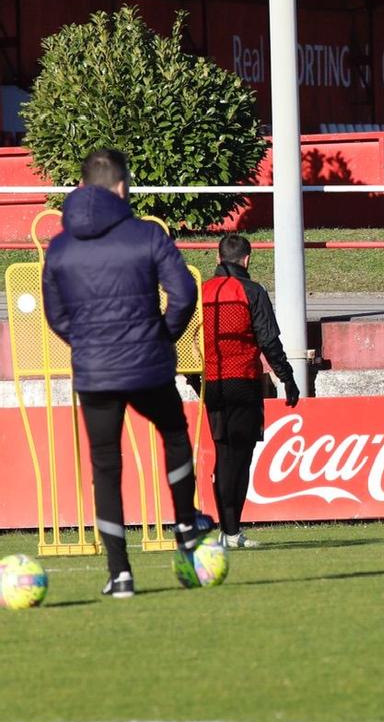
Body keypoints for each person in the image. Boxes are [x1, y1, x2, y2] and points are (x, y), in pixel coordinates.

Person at [41, 148, 213, 597]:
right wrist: (163, 337)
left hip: (94, 373)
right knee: (174, 432)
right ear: (122, 187)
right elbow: (183, 294)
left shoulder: (59, 247)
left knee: (105, 466)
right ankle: (184, 523)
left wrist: (88, 345)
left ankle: (120, 575)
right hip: (148, 365)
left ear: (81, 188)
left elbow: (56, 315)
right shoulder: (146, 235)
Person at [202, 233, 301, 548]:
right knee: (241, 457)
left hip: (212, 383)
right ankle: (232, 532)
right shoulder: (252, 292)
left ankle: (226, 529)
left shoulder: (202, 292)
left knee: (222, 454)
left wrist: (194, 380)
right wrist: (287, 378)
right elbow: (268, 340)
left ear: (218, 259)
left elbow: (186, 336)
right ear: (247, 259)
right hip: (243, 381)